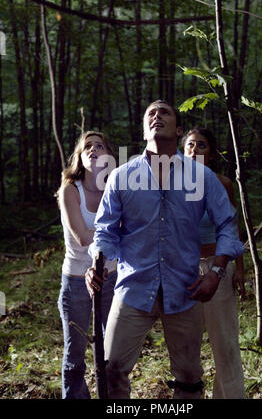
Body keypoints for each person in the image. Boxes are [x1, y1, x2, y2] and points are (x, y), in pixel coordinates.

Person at [85, 100, 244, 399]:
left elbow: (227, 226)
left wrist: (216, 272)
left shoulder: (202, 177)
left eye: (165, 112)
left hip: (185, 290)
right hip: (133, 288)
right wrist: (97, 263)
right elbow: (105, 230)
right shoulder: (121, 177)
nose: (157, 116)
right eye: (151, 114)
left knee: (188, 376)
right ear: (144, 130)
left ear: (179, 129)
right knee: (111, 367)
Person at [182, 127, 246, 399]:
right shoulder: (170, 185)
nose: (195, 150)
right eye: (190, 145)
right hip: (183, 270)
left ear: (211, 154)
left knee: (225, 343)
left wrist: (239, 269)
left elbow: (230, 230)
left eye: (202, 145)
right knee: (187, 346)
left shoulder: (222, 184)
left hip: (217, 269)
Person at [57, 130, 117, 399]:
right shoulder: (70, 190)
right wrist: (114, 233)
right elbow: (82, 237)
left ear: (109, 156)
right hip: (76, 281)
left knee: (113, 352)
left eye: (99, 146)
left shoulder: (115, 188)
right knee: (75, 357)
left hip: (113, 278)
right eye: (87, 147)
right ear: (79, 158)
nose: (93, 150)